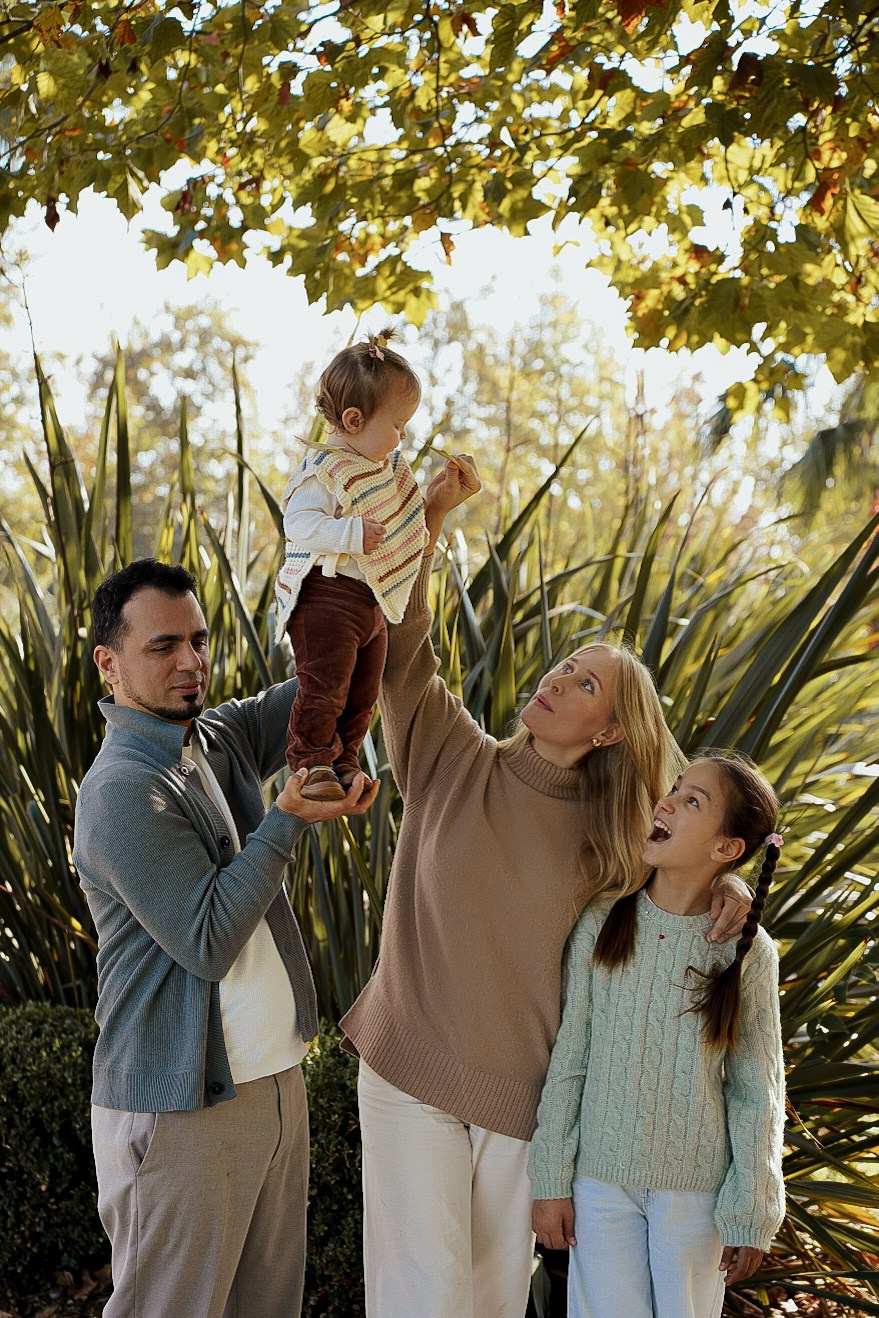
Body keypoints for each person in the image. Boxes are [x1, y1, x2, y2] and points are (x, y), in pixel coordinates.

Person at [338, 461, 755, 1318]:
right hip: (409, 1067)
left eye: (584, 684)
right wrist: (428, 517)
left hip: (523, 1100)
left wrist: (734, 888)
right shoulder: (449, 755)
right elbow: (402, 645)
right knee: (421, 1295)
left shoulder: (619, 839)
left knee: (491, 1301)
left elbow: (696, 856)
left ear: (608, 730)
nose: (557, 681)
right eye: (564, 667)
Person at [73, 558, 377, 1318]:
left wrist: (403, 538)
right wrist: (285, 821)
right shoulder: (120, 791)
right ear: (110, 664)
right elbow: (208, 938)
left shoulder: (216, 738)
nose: (190, 662)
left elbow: (326, 678)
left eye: (199, 641)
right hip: (183, 1107)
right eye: (162, 646)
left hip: (274, 1084)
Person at [529, 752, 786, 1318]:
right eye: (674, 788)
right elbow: (570, 1057)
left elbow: (756, 1091)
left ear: (727, 849)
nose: (666, 801)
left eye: (693, 801)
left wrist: (753, 1208)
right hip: (599, 1184)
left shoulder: (746, 952)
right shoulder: (601, 922)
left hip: (694, 1197)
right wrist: (550, 1178)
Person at [273, 326, 430, 802]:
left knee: (363, 693)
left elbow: (405, 521)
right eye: (397, 424)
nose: (401, 437)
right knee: (324, 685)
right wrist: (350, 534)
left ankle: (345, 759)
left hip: (370, 601)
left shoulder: (379, 471)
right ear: (355, 419)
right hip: (327, 596)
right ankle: (311, 760)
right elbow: (297, 524)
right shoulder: (326, 468)